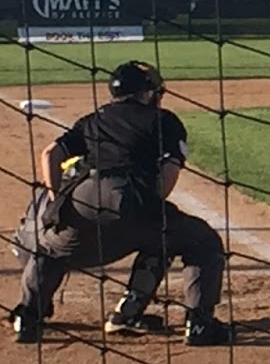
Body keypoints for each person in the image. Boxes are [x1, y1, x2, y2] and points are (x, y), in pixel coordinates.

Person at [8, 61, 233, 345]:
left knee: (50, 251)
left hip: (83, 198)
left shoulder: (93, 119)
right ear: (148, 93)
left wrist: (57, 201)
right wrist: (150, 209)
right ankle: (197, 325)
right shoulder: (163, 120)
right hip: (131, 197)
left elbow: (50, 154)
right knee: (199, 241)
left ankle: (26, 319)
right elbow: (169, 172)